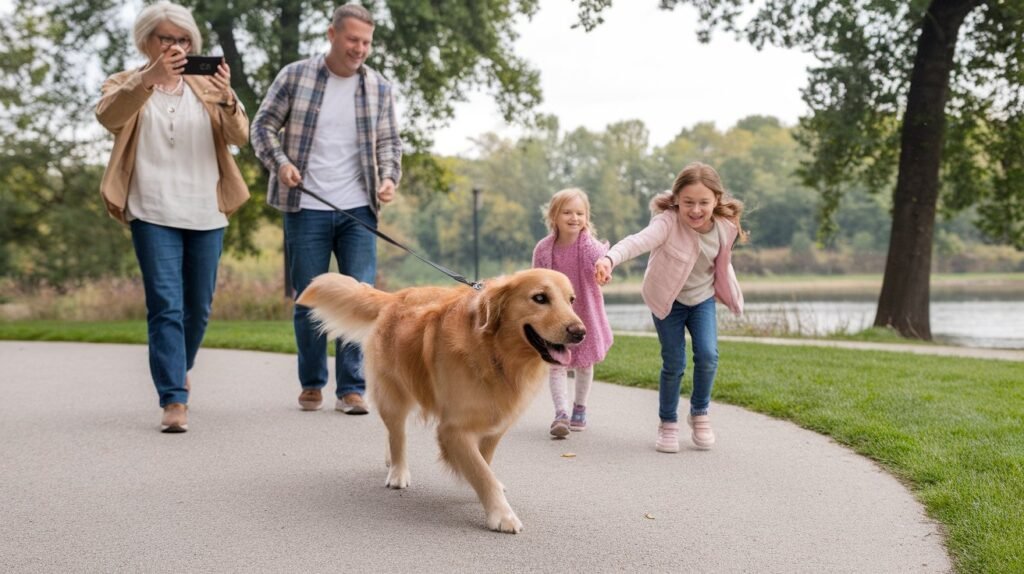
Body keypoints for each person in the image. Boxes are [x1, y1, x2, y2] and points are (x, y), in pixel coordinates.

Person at [95, 1, 250, 433]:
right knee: (166, 305)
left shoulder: (204, 86)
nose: (177, 47)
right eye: (168, 39)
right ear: (147, 41)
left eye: (184, 40)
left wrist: (228, 97)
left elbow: (241, 136)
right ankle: (174, 398)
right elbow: (109, 116)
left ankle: (177, 369)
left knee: (197, 309)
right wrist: (149, 80)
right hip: (152, 210)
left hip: (205, 210)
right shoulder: (125, 84)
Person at [251, 3, 402, 415]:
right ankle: (312, 382)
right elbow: (261, 126)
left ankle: (351, 388)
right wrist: (280, 164)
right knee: (310, 297)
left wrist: (389, 177)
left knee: (361, 300)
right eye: (353, 39)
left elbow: (390, 143)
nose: (360, 49)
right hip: (306, 206)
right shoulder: (294, 76)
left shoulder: (379, 88)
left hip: (359, 210)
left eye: (367, 42)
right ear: (332, 35)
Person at [595, 162, 746, 452]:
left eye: (704, 202)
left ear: (717, 199)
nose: (696, 210)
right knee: (674, 362)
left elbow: (722, 265)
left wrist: (730, 293)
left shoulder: (726, 228)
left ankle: (699, 414)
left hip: (701, 299)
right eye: (688, 202)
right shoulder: (667, 222)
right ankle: (668, 423)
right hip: (668, 300)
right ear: (676, 199)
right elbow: (636, 242)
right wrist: (609, 259)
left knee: (708, 354)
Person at [533, 188, 614, 438]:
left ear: (586, 217)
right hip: (556, 316)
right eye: (567, 212)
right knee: (556, 363)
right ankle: (561, 413)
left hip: (585, 313)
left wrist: (604, 271)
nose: (574, 218)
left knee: (584, 363)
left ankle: (580, 407)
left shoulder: (588, 246)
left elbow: (603, 263)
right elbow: (537, 281)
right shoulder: (545, 249)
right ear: (554, 216)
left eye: (580, 213)